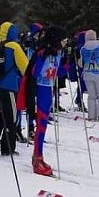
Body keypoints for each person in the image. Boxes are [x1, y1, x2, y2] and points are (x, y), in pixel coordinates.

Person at [18, 26, 67, 176]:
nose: (65, 42)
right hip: (40, 89)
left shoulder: (57, 53)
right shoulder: (42, 53)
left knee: (43, 125)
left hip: (48, 89)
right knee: (41, 125)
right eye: (63, 40)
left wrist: (67, 63)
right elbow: (33, 73)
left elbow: (59, 72)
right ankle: (37, 157)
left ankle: (38, 156)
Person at [0, 22, 28, 156]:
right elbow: (25, 67)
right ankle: (7, 147)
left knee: (0, 114)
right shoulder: (14, 46)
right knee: (12, 117)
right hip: (9, 86)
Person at [79, 29, 99, 122]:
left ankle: (91, 116)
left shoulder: (83, 49)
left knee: (91, 96)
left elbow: (81, 63)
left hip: (88, 74)